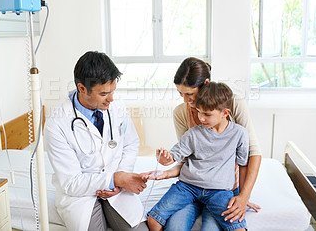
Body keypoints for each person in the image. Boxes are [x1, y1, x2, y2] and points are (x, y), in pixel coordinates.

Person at [143, 57, 262, 230]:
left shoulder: (231, 102)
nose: (185, 100)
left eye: (189, 94)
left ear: (205, 83)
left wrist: (244, 196)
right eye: (180, 94)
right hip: (191, 186)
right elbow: (185, 157)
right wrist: (166, 172)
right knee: (174, 227)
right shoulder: (181, 113)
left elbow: (253, 153)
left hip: (222, 189)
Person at [44, 51, 149, 231]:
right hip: (80, 196)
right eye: (103, 94)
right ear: (82, 88)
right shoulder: (57, 123)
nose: (111, 99)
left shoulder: (116, 106)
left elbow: (130, 144)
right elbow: (71, 182)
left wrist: (121, 177)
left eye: (113, 91)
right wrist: (114, 179)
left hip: (118, 189)